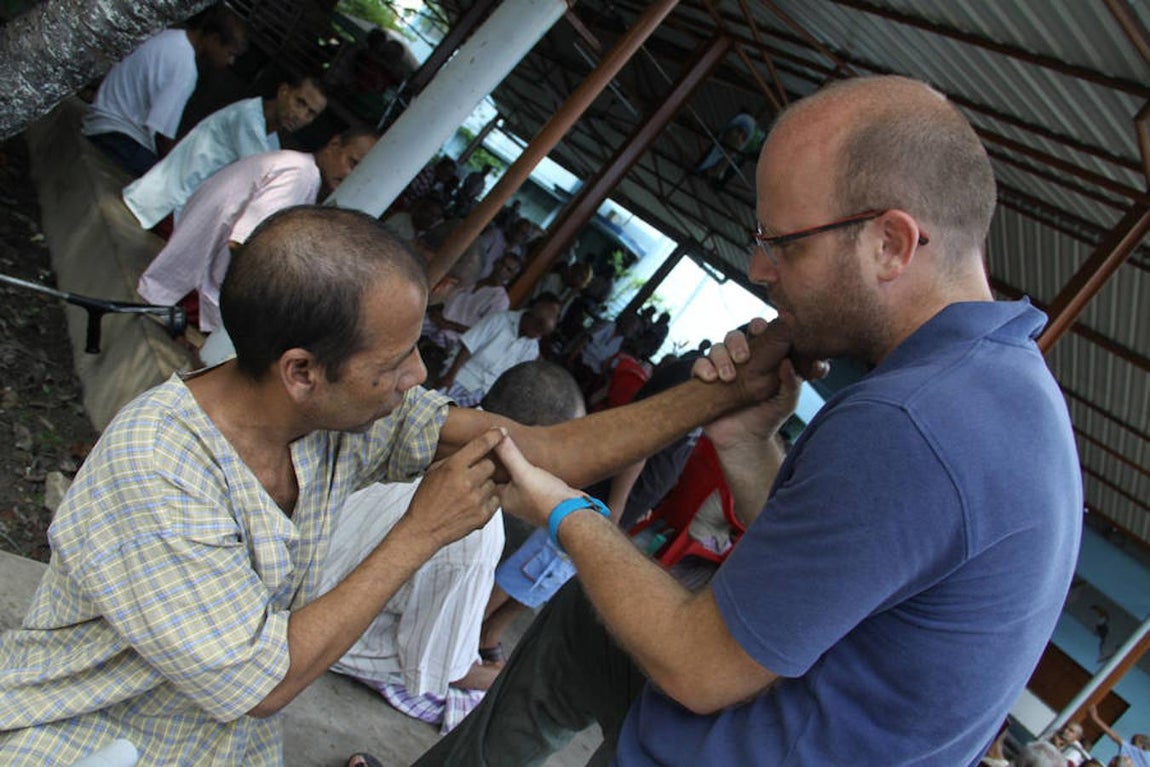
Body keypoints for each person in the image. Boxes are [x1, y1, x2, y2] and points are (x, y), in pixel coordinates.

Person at [412, 75, 1082, 766]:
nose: (760, 267)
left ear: (891, 243)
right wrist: (747, 442)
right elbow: (824, 584)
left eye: (785, 243)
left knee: (619, 600)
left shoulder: (910, 420)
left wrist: (566, 510)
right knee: (590, 617)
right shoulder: (1005, 390)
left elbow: (698, 669)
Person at [0, 204, 790, 765]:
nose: (417, 375)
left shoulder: (342, 415)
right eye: (392, 362)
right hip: (83, 740)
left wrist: (718, 398)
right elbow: (263, 680)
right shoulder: (163, 468)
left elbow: (539, 448)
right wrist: (419, 532)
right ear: (302, 372)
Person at [318, 360, 585, 733]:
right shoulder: (476, 530)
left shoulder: (410, 414)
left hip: (298, 573)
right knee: (490, 703)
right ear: (536, 441)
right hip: (322, 633)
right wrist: (503, 677)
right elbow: (445, 669)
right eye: (564, 450)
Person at [136, 128, 378, 333]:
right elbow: (244, 244)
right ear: (334, 145)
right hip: (187, 294)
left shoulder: (299, 168)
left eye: (361, 171)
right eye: (352, 163)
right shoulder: (301, 175)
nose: (351, 175)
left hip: (184, 283)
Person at [122, 76, 328, 229]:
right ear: (283, 91)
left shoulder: (270, 141)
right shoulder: (247, 119)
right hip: (165, 206)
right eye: (300, 102)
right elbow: (264, 183)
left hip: (180, 211)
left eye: (310, 113)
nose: (301, 115)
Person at [83, 4, 248, 176]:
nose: (231, 62)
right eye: (230, 53)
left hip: (102, 122)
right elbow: (161, 136)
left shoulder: (171, 36)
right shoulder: (185, 68)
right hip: (115, 135)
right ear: (214, 40)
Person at [438, 295, 562, 407]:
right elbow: (468, 346)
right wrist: (449, 377)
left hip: (483, 393)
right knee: (434, 407)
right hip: (461, 375)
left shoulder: (532, 348)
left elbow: (512, 378)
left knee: (453, 421)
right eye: (536, 329)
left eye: (540, 334)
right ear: (530, 314)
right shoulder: (499, 319)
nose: (536, 336)